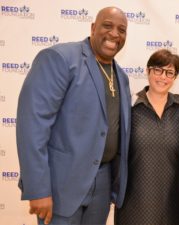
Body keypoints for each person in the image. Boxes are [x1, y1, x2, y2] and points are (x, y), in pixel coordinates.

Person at [16, 7, 131, 225]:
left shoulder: (122, 77)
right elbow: (32, 125)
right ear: (93, 28)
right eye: (108, 26)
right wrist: (38, 189)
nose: (115, 34)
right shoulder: (60, 58)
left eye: (122, 30)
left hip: (103, 185)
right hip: (61, 185)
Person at [115, 49, 179, 225]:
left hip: (173, 201)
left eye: (169, 72)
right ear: (148, 71)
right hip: (134, 200)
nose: (163, 77)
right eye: (158, 70)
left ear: (175, 77)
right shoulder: (128, 107)